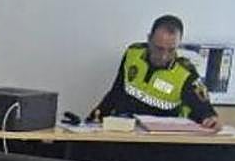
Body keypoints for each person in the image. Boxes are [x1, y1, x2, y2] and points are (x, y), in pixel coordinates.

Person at [90, 14, 221, 131]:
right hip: (124, 131)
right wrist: (94, 118)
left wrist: (211, 119)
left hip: (160, 142)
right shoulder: (133, 53)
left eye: (171, 50)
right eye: (159, 49)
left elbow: (204, 111)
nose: (164, 56)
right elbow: (117, 91)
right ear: (149, 39)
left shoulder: (186, 73)